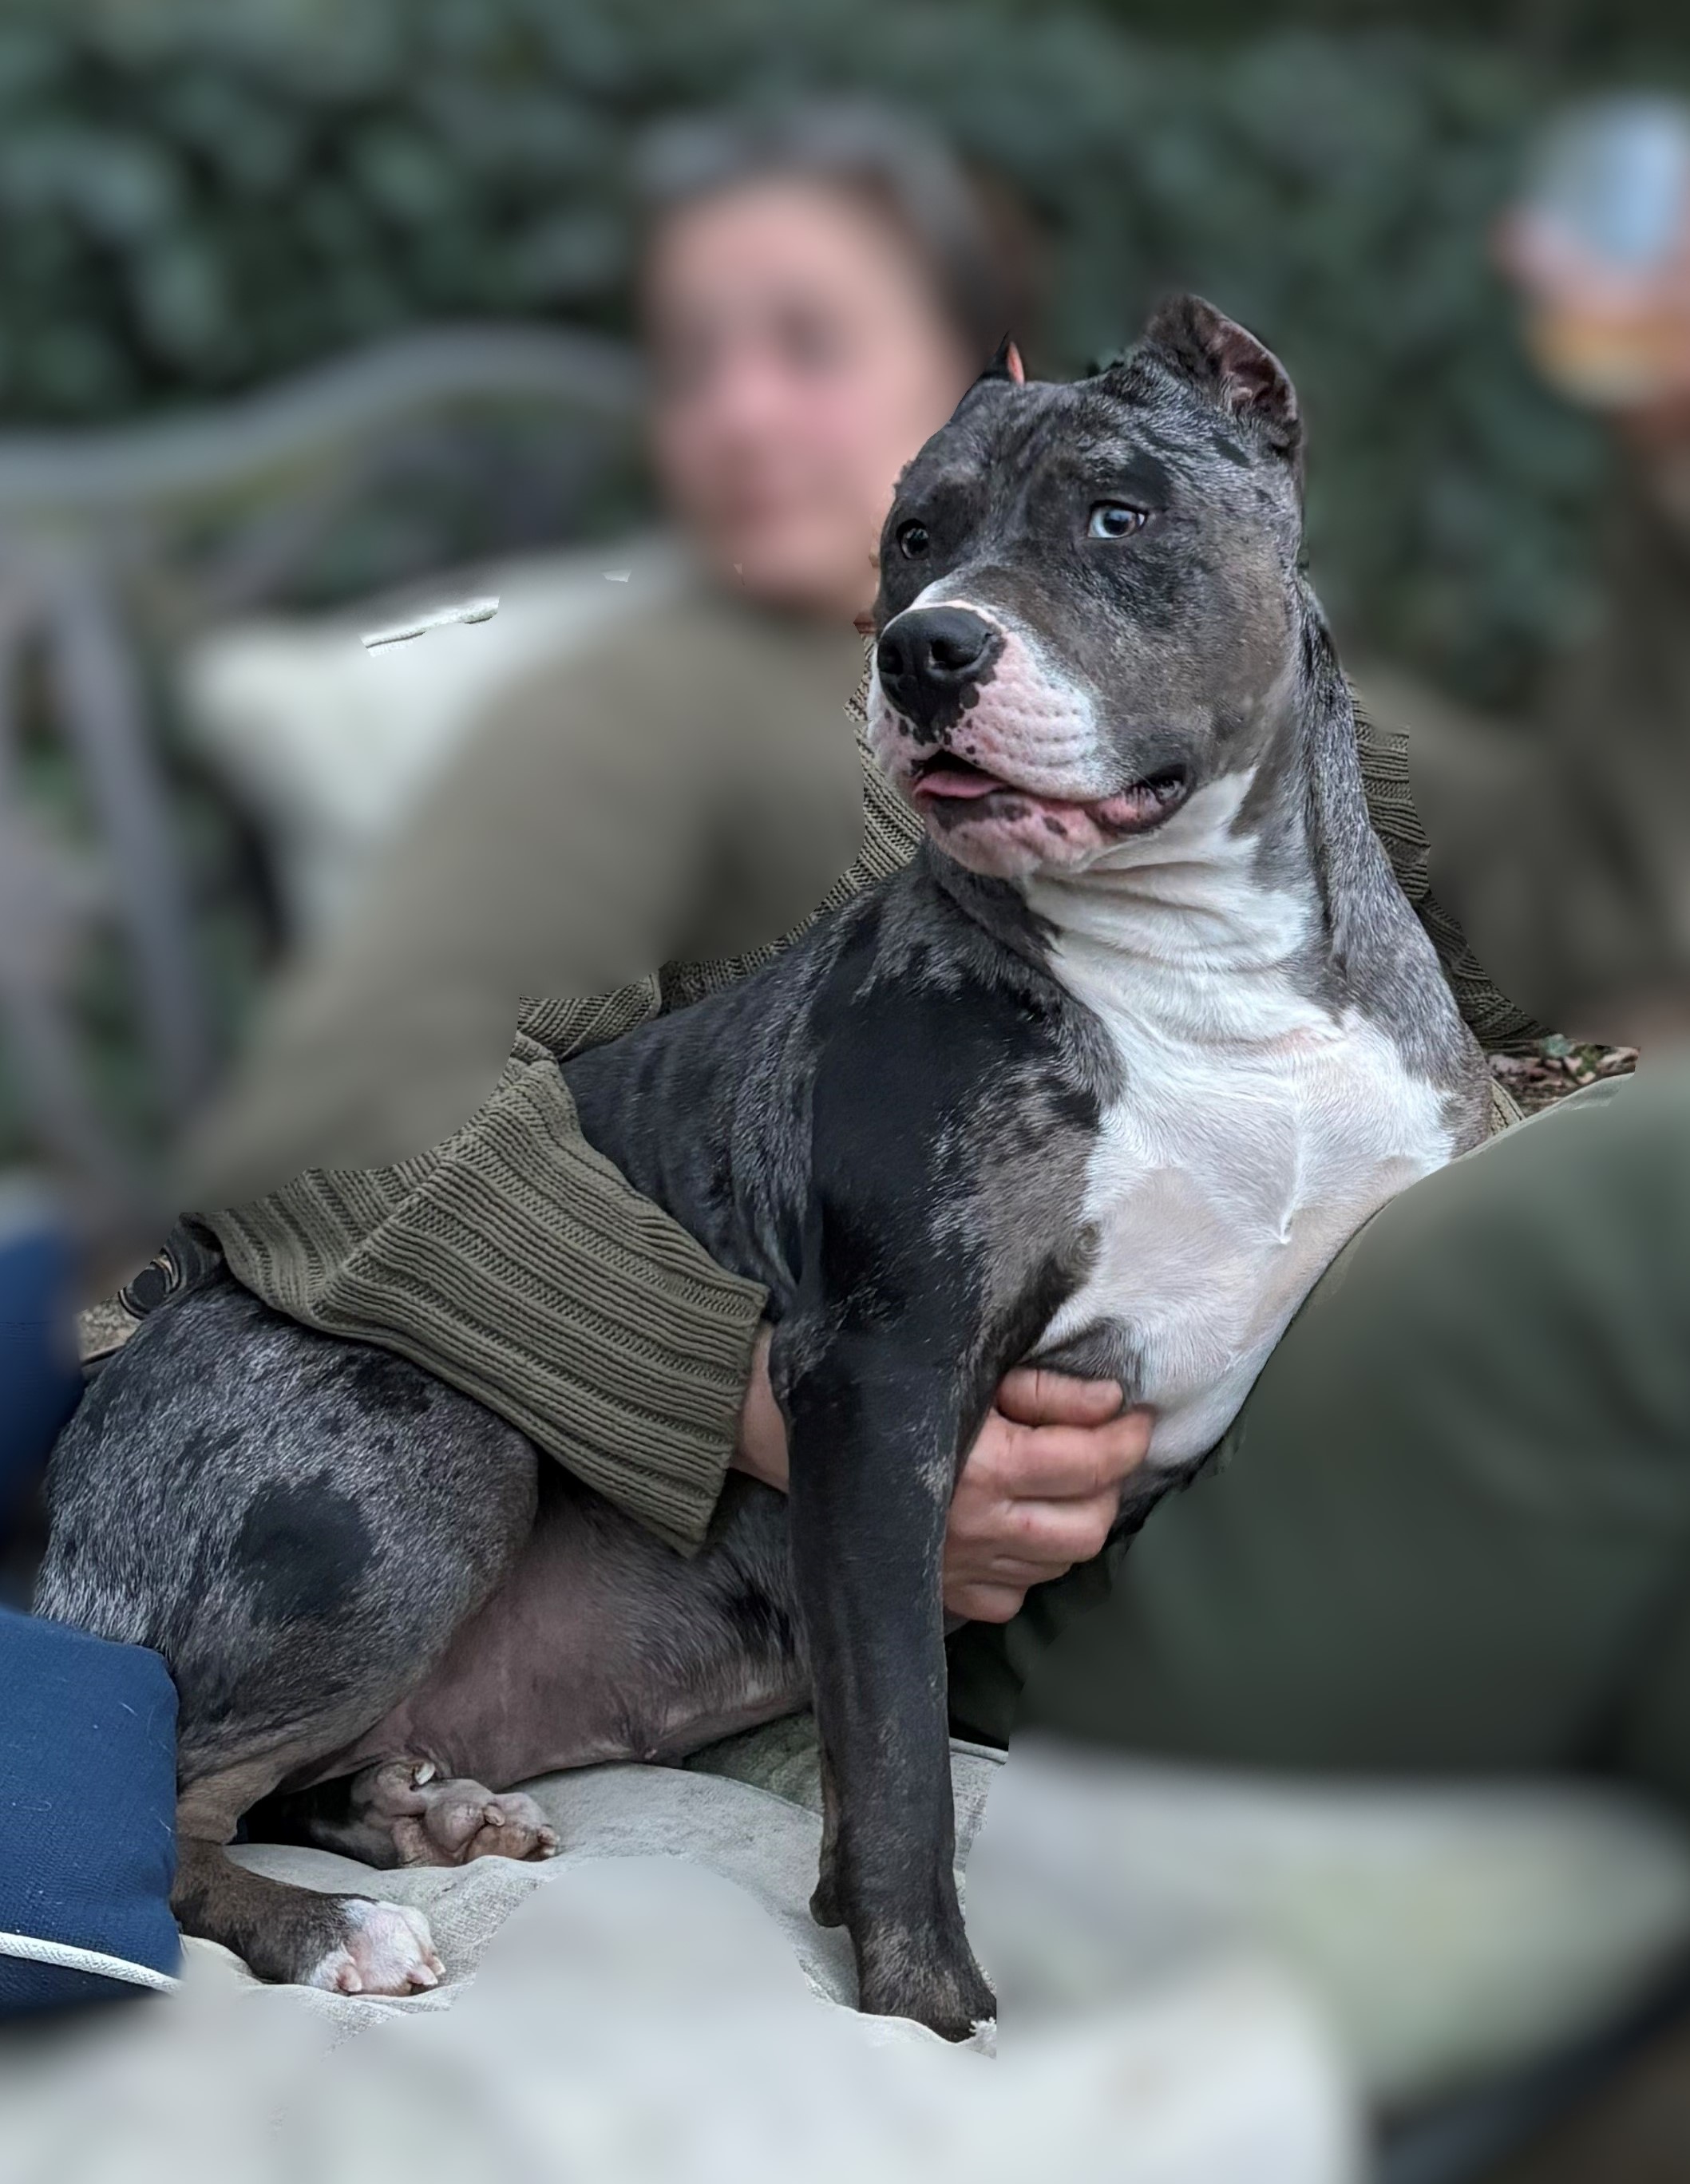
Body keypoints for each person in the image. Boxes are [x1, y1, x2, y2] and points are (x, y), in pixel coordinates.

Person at [182, 101, 1526, 1681]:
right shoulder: (631, 713)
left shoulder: (1200, 655)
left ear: (997, 380)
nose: (739, 418)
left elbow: (1571, 891)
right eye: (690, 367)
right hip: (844, 1517)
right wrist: (748, 1409)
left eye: (808, 346)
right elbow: (324, 1127)